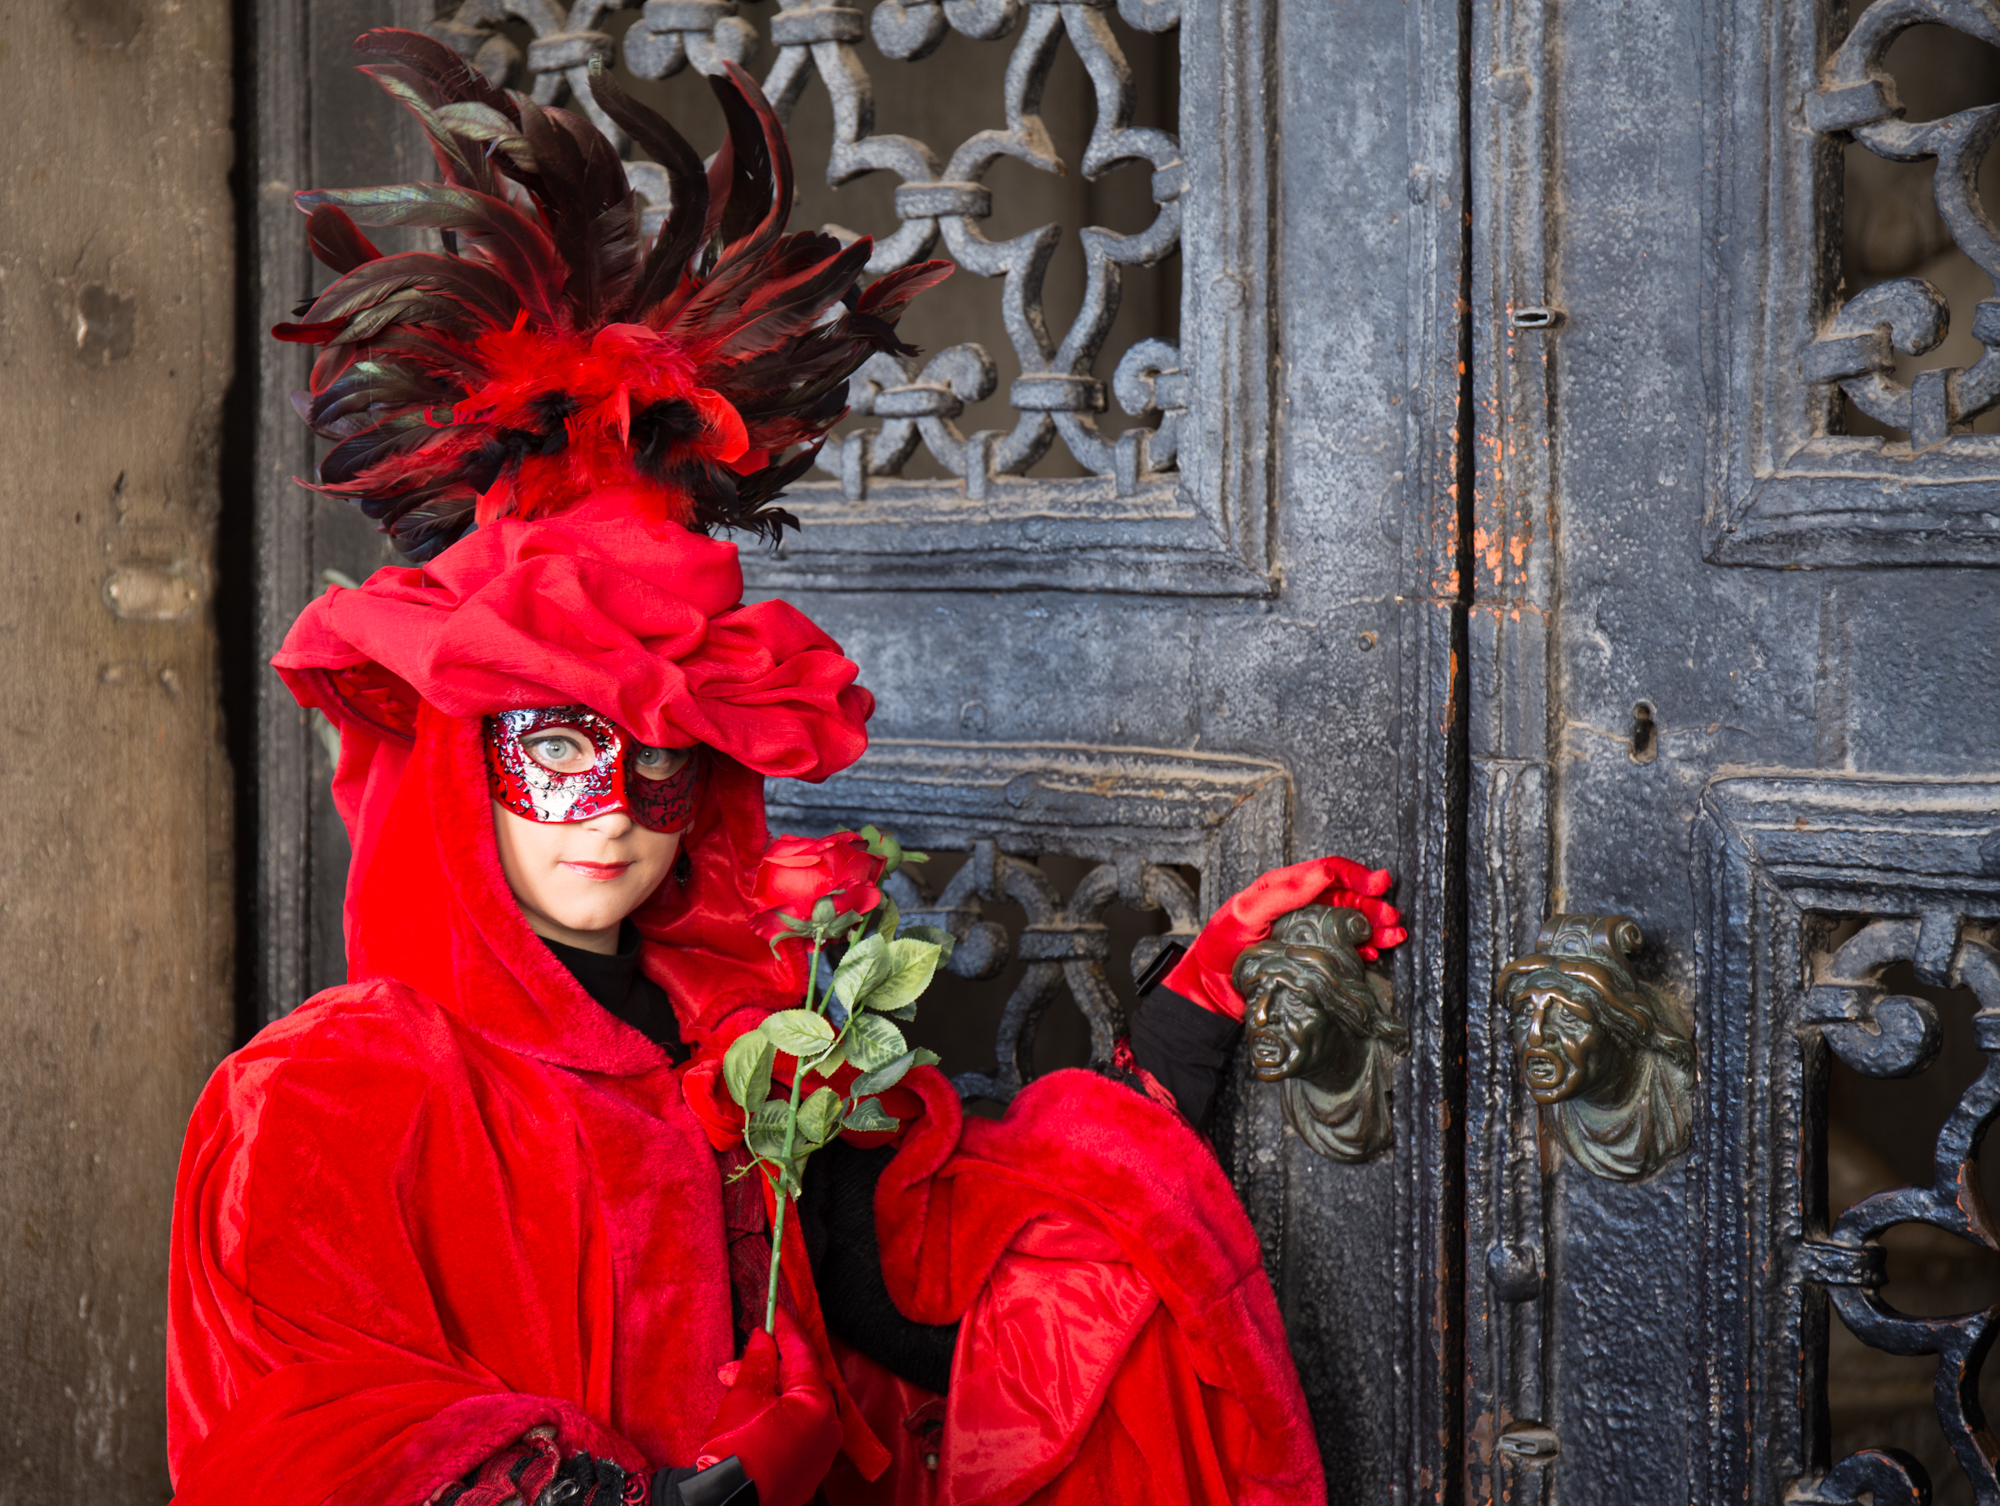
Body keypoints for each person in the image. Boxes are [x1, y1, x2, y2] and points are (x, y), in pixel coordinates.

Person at [166, 32, 1402, 1505]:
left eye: (661, 755)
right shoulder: (332, 1092)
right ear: (458, 755)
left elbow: (934, 1298)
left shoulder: (741, 1060)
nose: (616, 813)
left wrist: (1179, 1043)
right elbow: (306, 1434)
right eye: (559, 746)